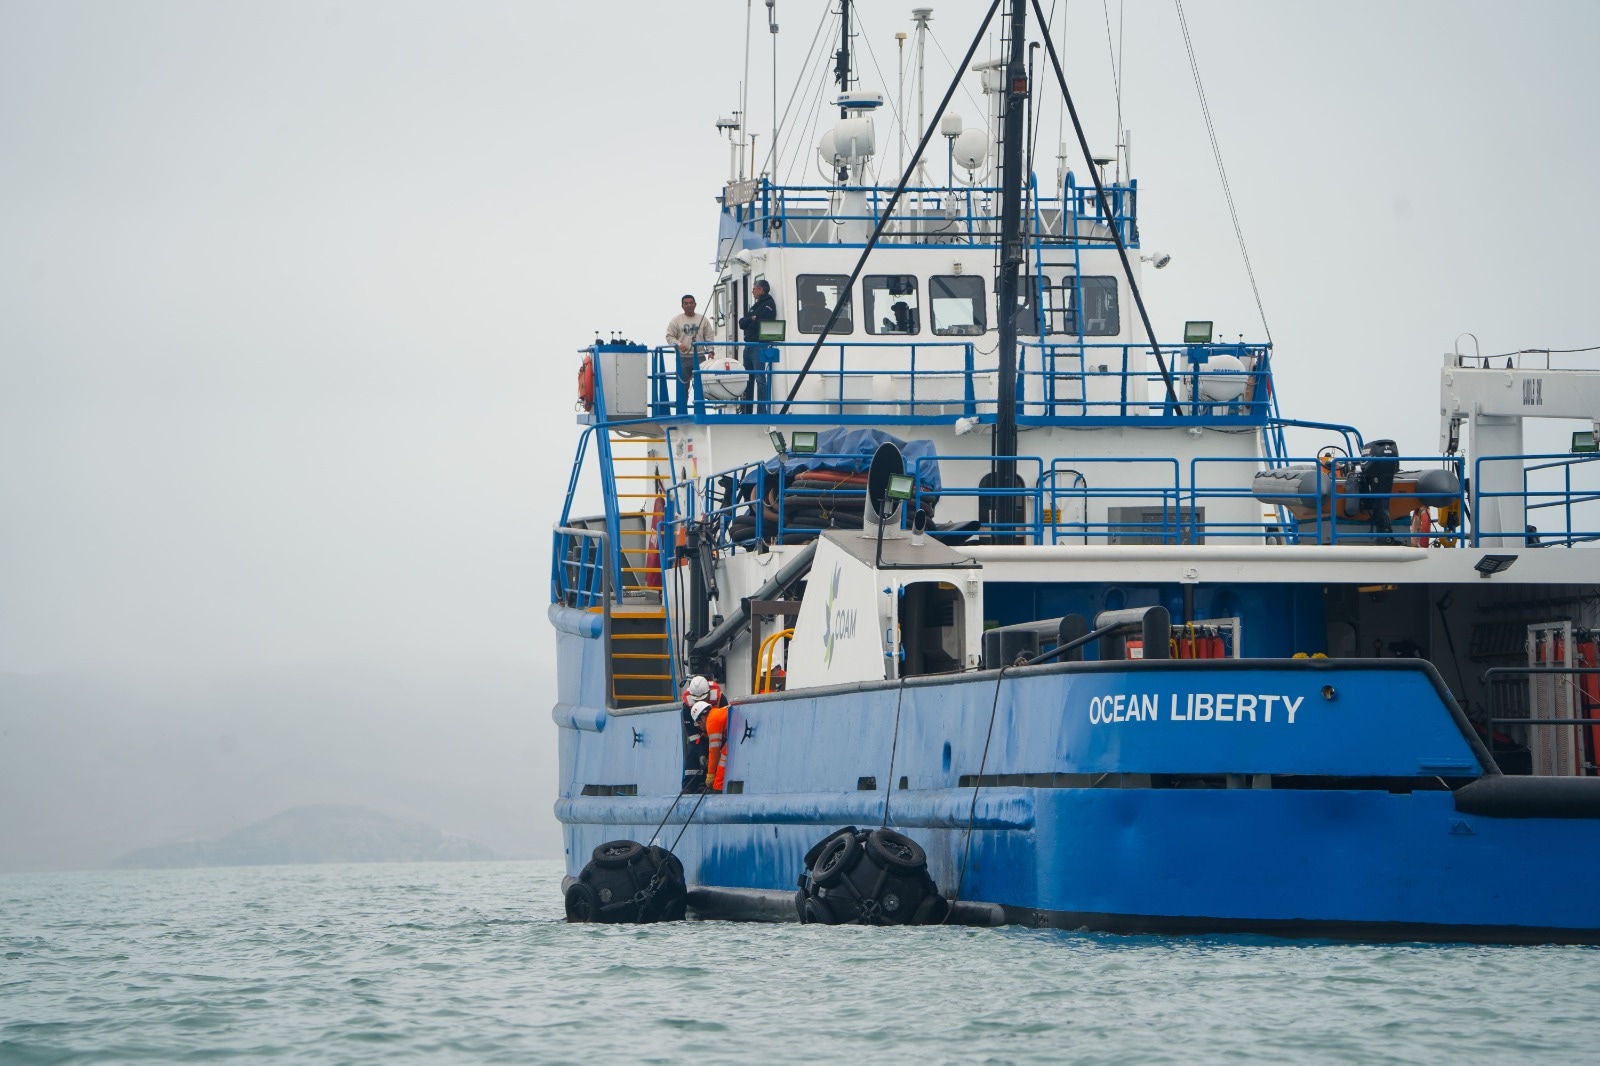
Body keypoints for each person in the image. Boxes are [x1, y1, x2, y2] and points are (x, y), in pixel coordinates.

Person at [736, 279, 777, 406]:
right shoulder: (756, 305)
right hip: (748, 345)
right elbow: (742, 323)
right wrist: (751, 319)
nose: (752, 291)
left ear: (760, 289)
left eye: (754, 289)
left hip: (759, 345)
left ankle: (761, 410)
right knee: (747, 378)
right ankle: (747, 409)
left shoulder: (768, 304)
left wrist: (751, 320)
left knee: (760, 379)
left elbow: (762, 322)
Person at [666, 294, 711, 388]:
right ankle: (683, 403)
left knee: (701, 386)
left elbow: (709, 336)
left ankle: (699, 403)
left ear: (695, 304)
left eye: (691, 303)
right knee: (683, 387)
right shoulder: (676, 320)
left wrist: (711, 351)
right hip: (683, 358)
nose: (689, 305)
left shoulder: (703, 319)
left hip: (699, 357)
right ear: (682, 306)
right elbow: (669, 336)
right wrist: (679, 344)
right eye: (686, 303)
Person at [703, 700, 730, 793]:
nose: (700, 727)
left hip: (739, 732)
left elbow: (714, 752)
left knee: (724, 757)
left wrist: (710, 776)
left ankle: (718, 789)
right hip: (739, 731)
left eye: (698, 723)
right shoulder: (716, 713)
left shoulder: (711, 721)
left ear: (702, 718)